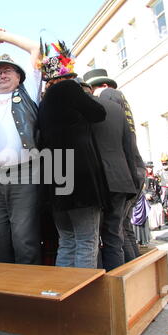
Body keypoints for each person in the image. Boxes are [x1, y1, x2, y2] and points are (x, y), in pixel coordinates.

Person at [38, 40, 108, 268]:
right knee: (86, 241)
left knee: (67, 242)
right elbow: (99, 113)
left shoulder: (44, 101)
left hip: (56, 178)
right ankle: (83, 297)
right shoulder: (69, 89)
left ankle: (65, 295)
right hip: (80, 180)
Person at [0, 27, 42, 264]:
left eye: (8, 71)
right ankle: (3, 295)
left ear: (19, 76)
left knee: (25, 238)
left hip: (25, 174)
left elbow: (35, 48)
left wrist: (3, 37)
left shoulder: (29, 92)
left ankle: (29, 294)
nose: (2, 75)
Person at [82, 69, 139, 271]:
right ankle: (125, 285)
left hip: (99, 181)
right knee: (115, 236)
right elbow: (128, 148)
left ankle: (104, 291)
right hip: (122, 179)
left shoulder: (87, 108)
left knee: (91, 238)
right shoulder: (117, 110)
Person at [144, 162, 163, 230]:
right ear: (146, 168)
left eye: (151, 167)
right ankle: (154, 226)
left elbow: (157, 187)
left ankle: (159, 225)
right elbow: (143, 187)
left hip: (156, 196)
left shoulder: (154, 176)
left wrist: (159, 187)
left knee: (159, 211)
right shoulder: (144, 177)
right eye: (149, 167)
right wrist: (145, 194)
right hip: (149, 196)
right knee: (152, 212)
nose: (150, 169)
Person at [157, 153, 168, 224]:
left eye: (166, 163)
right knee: (164, 205)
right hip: (163, 190)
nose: (165, 165)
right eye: (163, 163)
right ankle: (167, 219)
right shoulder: (159, 172)